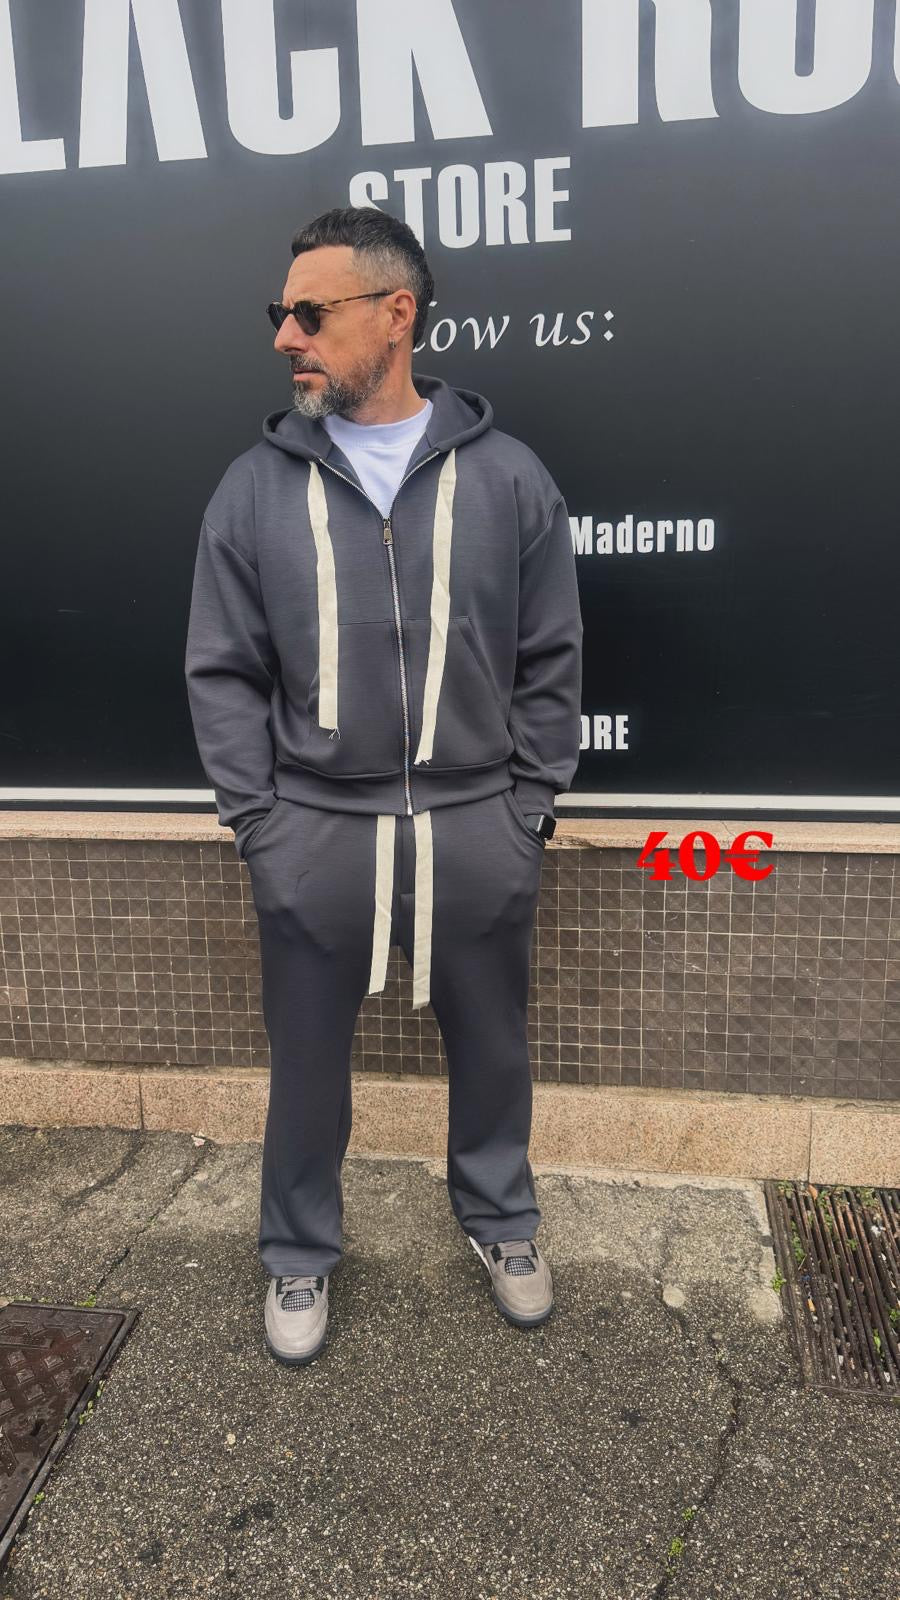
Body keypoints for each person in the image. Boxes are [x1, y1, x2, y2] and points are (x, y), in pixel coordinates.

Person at [184, 205, 583, 1366]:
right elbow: (221, 669)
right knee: (306, 1057)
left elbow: (552, 657)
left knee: (493, 1044)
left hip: (474, 822)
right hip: (316, 826)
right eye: (281, 314)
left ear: (395, 314)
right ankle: (298, 1248)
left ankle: (502, 1221)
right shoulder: (253, 489)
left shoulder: (508, 477)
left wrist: (527, 810)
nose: (286, 337)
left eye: (310, 313)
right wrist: (262, 825)